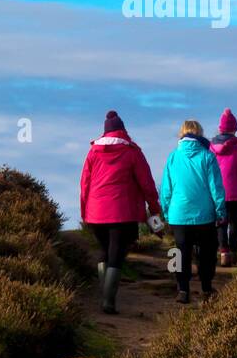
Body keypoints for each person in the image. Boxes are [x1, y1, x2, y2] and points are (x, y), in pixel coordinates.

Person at [80, 110, 161, 314]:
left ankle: (105, 294)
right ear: (123, 130)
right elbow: (147, 184)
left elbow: (85, 185)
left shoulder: (92, 152)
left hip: (96, 211)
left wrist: (84, 211)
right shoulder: (133, 151)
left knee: (105, 251)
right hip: (122, 212)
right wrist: (154, 208)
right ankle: (108, 300)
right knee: (116, 253)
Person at [159, 120, 226, 304]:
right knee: (206, 253)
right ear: (200, 134)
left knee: (179, 253)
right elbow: (216, 188)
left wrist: (166, 212)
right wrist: (220, 211)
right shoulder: (208, 157)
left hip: (178, 215)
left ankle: (182, 290)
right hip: (204, 215)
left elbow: (166, 189)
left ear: (181, 135)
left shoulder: (172, 157)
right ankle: (206, 288)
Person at [210, 108, 237, 266]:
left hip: (217, 192)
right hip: (236, 191)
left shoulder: (211, 147)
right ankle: (234, 255)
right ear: (235, 128)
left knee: (220, 222)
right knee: (234, 221)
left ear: (220, 128)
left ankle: (223, 254)